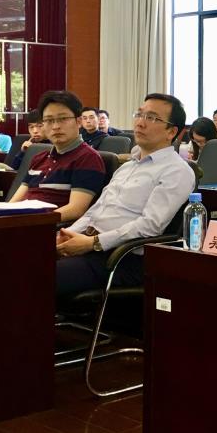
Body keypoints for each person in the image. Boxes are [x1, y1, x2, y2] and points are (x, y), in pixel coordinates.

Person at [56, 94, 194, 299]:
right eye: (139, 114)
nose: (140, 122)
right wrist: (67, 236)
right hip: (90, 245)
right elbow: (95, 211)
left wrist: (93, 243)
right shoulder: (127, 166)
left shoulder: (177, 171)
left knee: (35, 275)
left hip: (121, 258)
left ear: (171, 131)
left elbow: (149, 226)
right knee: (19, 261)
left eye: (152, 118)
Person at [10, 91, 105, 223]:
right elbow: (14, 202)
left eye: (63, 119)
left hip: (47, 227)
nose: (55, 126)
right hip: (21, 222)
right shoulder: (39, 158)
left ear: (78, 121)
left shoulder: (88, 158)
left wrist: (30, 221)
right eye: (49, 120)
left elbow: (76, 209)